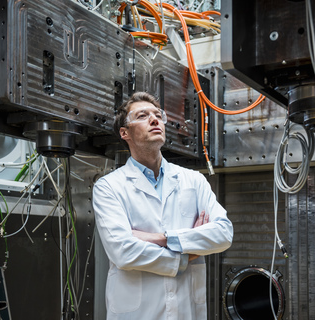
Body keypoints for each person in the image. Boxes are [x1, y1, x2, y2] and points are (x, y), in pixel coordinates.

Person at [92, 92, 233, 320]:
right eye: (142, 115)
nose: (155, 120)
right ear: (124, 133)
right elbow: (123, 251)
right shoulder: (109, 187)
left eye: (158, 115)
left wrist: (162, 238)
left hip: (188, 311)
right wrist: (187, 252)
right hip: (137, 314)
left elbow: (223, 233)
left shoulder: (193, 181)